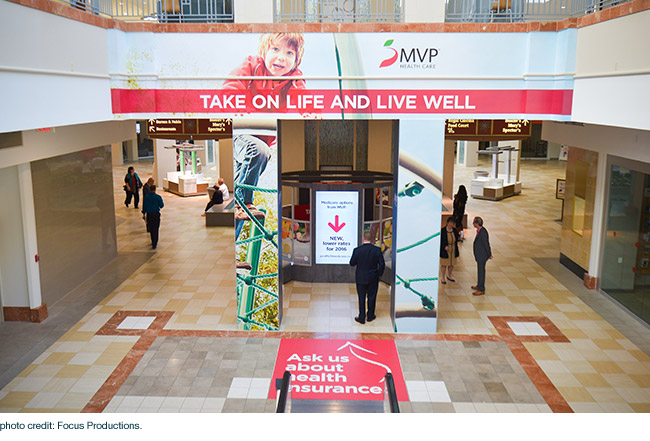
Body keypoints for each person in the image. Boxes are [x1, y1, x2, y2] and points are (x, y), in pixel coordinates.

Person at [222, 33, 306, 106]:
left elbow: (304, 99)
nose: (281, 58)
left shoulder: (295, 78)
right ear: (264, 51)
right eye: (275, 49)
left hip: (276, 122)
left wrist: (312, 113)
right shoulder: (251, 66)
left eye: (289, 53)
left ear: (296, 60)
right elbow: (232, 86)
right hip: (248, 119)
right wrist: (236, 107)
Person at [349, 231, 385, 324]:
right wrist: (379, 274)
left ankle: (361, 317)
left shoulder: (357, 250)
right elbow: (382, 264)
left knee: (361, 297)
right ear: (372, 239)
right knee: (372, 297)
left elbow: (352, 263)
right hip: (373, 277)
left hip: (361, 278)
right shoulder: (377, 250)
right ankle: (370, 316)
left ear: (363, 239)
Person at [472, 216, 492, 296]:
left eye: (474, 222)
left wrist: (489, 254)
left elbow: (486, 244)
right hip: (480, 255)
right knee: (480, 270)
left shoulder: (483, 232)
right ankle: (479, 285)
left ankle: (481, 288)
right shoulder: (480, 231)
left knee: (481, 271)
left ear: (477, 223)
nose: (473, 224)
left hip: (482, 255)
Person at [141, 185, 164, 250]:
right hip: (156, 214)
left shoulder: (146, 197)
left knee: (151, 228)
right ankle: (155, 242)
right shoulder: (158, 197)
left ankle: (152, 240)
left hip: (149, 215)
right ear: (155, 189)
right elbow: (162, 205)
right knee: (156, 228)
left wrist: (143, 214)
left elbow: (144, 206)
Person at [439, 217, 460, 285]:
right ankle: (442, 277)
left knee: (452, 263)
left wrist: (460, 237)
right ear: (447, 222)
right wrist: (444, 246)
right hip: (445, 250)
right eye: (450, 223)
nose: (451, 224)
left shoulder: (454, 230)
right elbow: (440, 241)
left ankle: (449, 275)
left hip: (453, 248)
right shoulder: (443, 231)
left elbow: (457, 238)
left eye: (453, 223)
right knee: (444, 264)